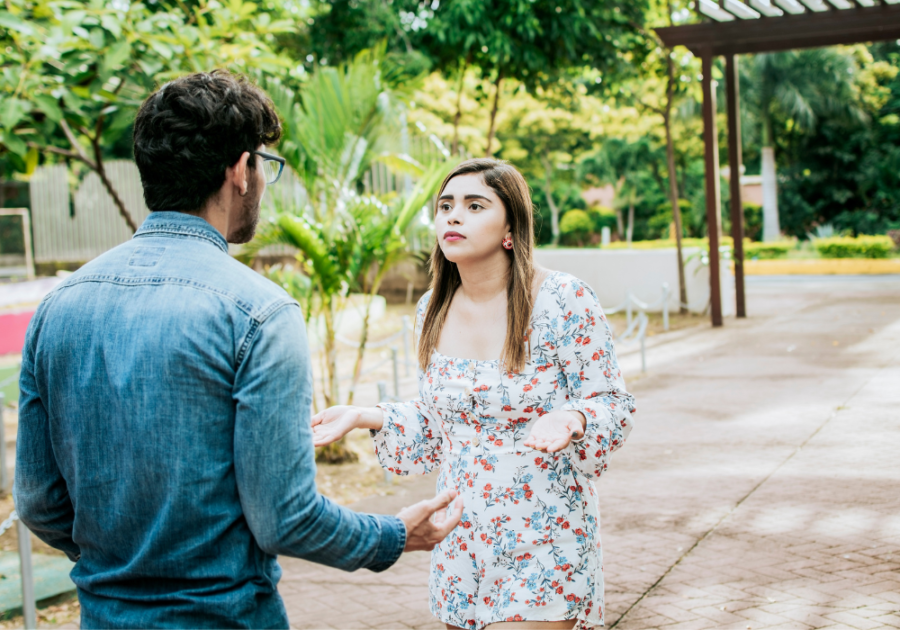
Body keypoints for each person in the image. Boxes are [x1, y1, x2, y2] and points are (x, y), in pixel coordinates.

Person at [14, 70, 463, 630]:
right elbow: (285, 518)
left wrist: (121, 570)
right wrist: (395, 536)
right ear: (239, 171)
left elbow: (37, 503)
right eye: (264, 165)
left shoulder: (57, 307)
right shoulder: (260, 311)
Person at [312, 158, 636, 630]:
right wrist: (367, 416)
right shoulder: (432, 309)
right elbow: (438, 425)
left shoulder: (563, 299)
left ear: (510, 226)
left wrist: (573, 419)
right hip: (459, 535)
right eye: (445, 206)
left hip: (545, 531)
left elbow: (611, 402)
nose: (453, 216)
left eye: (474, 205)